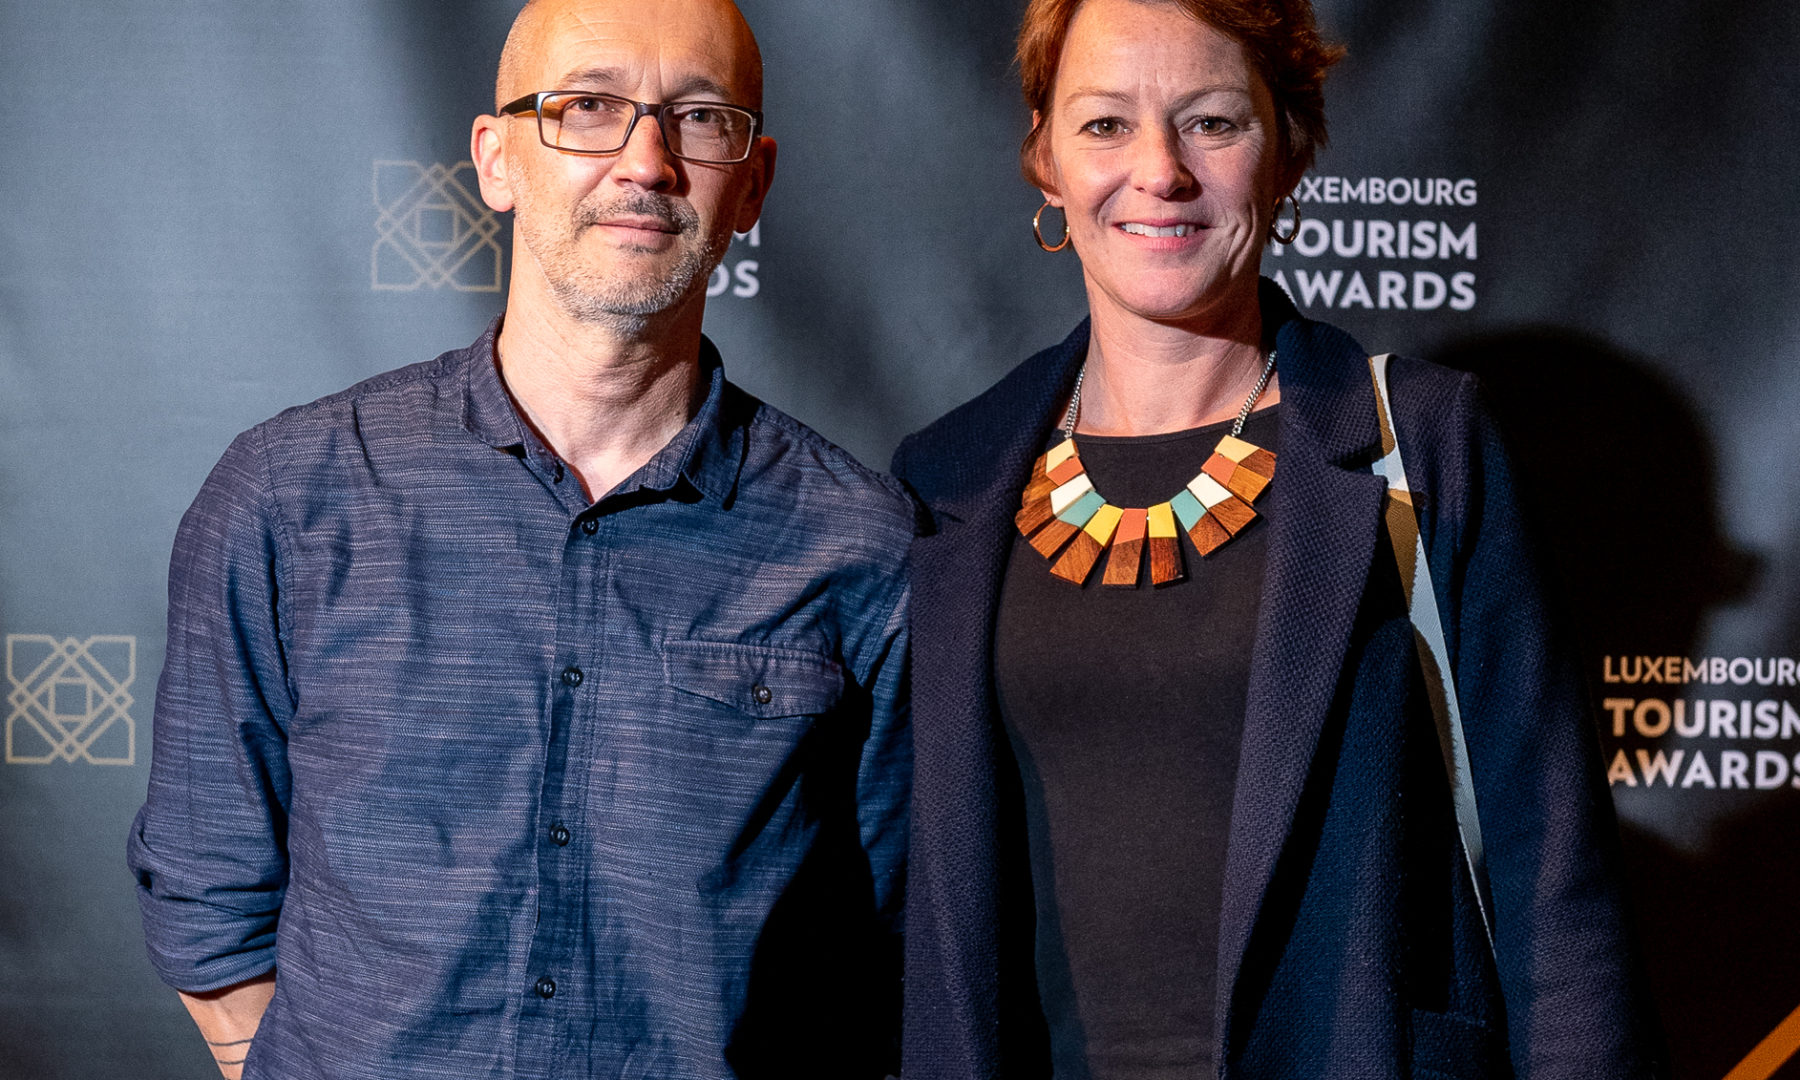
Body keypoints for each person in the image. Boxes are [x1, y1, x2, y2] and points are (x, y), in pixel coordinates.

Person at [126, 1, 911, 1077]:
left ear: (753, 182)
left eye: (699, 118)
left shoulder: (861, 545)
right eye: (588, 107)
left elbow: (887, 952)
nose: (646, 162)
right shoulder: (287, 497)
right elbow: (205, 889)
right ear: (497, 159)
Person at [890, 0, 1662, 1076]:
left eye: (1211, 122)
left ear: (1289, 150)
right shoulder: (946, 480)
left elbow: (1555, 878)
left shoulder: (1422, 445)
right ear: (1044, 161)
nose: (1159, 171)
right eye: (1105, 124)